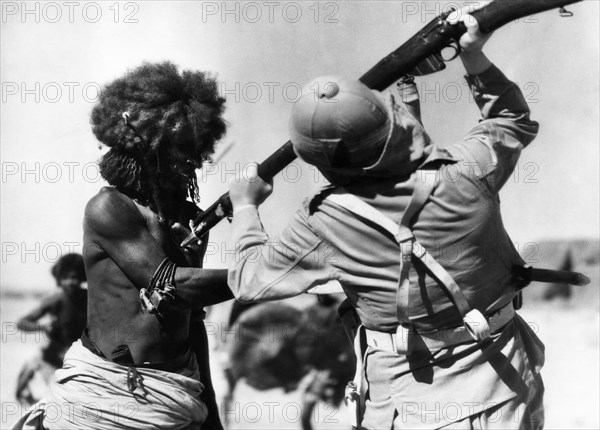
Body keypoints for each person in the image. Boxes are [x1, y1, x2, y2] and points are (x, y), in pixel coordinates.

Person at [226, 9, 544, 430]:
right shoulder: (469, 170)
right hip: (505, 388)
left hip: (407, 405)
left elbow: (248, 280)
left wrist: (246, 206)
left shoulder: (322, 221)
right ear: (390, 123)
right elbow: (511, 122)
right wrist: (473, 56)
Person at [13, 62, 234, 430]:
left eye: (191, 150)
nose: (189, 161)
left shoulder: (188, 221)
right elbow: (169, 283)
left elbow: (191, 323)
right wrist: (265, 272)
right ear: (143, 150)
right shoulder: (109, 208)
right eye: (176, 149)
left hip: (177, 396)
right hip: (105, 396)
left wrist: (210, 411)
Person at [15, 254, 87, 406]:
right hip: (53, 360)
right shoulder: (55, 299)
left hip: (78, 361)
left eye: (75, 277)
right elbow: (22, 322)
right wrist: (43, 327)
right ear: (59, 279)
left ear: (82, 278)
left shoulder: (87, 299)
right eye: (66, 278)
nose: (71, 282)